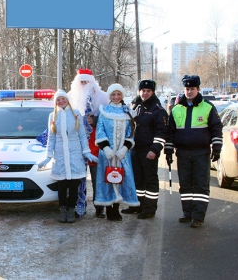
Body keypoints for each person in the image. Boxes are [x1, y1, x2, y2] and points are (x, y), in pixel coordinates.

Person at [165, 75, 223, 228]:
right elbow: (170, 132)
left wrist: (217, 148)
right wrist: (169, 151)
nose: (189, 92)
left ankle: (198, 217)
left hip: (201, 153)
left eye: (192, 89)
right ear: (184, 90)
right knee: (185, 185)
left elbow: (216, 129)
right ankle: (187, 213)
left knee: (200, 185)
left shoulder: (208, 107)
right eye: (187, 89)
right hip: (182, 153)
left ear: (198, 89)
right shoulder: (176, 109)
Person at [38, 90, 98, 223]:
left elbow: (82, 135)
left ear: (67, 100)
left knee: (74, 184)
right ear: (56, 102)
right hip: (60, 155)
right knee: (62, 185)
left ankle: (72, 209)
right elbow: (51, 138)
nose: (61, 101)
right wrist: (48, 156)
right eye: (58, 100)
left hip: (74, 154)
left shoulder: (76, 114)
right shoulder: (53, 115)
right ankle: (63, 210)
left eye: (63, 99)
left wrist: (87, 152)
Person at [122, 80, 168, 219]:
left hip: (149, 151)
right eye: (143, 90)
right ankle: (137, 206)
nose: (145, 93)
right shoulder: (136, 107)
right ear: (139, 91)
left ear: (152, 92)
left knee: (150, 180)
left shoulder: (158, 110)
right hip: (135, 150)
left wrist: (154, 150)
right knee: (137, 180)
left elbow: (162, 133)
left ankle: (149, 209)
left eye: (148, 91)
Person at [67, 68, 109, 217]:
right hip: (77, 145)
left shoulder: (103, 97)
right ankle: (81, 206)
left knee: (98, 178)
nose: (84, 84)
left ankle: (99, 207)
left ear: (92, 82)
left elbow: (110, 117)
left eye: (86, 81)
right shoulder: (70, 97)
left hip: (96, 144)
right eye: (81, 81)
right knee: (79, 179)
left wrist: (95, 120)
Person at [94, 83, 139, 221]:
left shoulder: (127, 112)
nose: (116, 97)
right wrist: (106, 148)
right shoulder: (104, 110)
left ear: (122, 95)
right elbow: (100, 130)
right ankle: (109, 209)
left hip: (122, 155)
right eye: (113, 94)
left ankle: (116, 208)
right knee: (107, 179)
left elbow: (131, 132)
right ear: (110, 96)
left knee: (120, 179)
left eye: (118, 94)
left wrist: (125, 148)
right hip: (107, 154)